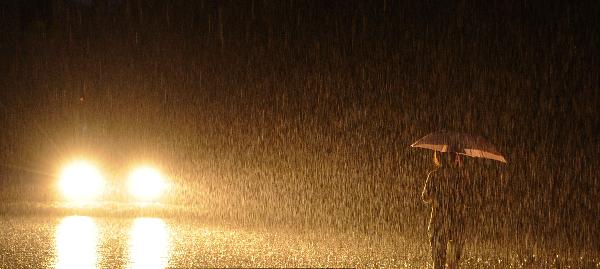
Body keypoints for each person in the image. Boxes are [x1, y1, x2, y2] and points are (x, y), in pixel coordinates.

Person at [422, 151, 467, 269]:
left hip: (438, 221)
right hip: (456, 221)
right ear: (455, 158)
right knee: (453, 263)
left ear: (438, 157)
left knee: (438, 260)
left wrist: (437, 198)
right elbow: (464, 199)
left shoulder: (433, 175)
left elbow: (425, 197)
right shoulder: (460, 176)